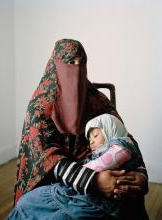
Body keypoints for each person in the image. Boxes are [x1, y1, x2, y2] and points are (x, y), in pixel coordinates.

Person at [8, 39, 149, 219]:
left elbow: (124, 138)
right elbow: (46, 160)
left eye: (81, 63)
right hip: (58, 182)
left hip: (110, 174)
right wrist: (94, 181)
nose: (76, 68)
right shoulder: (40, 106)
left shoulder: (98, 101)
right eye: (70, 62)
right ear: (56, 66)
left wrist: (141, 176)